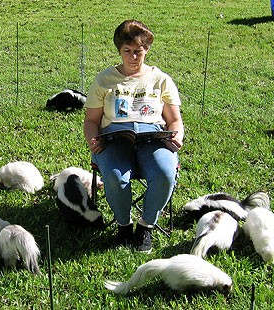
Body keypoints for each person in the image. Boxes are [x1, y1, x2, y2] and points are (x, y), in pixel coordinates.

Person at [83, 20, 184, 253]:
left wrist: (177, 135)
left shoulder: (161, 79)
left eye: (138, 51)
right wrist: (93, 139)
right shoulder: (104, 79)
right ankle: (123, 226)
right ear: (119, 51)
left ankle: (145, 226)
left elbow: (174, 119)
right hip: (114, 137)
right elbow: (91, 121)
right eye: (127, 51)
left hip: (153, 136)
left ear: (146, 49)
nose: (133, 57)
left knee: (165, 174)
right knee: (116, 178)